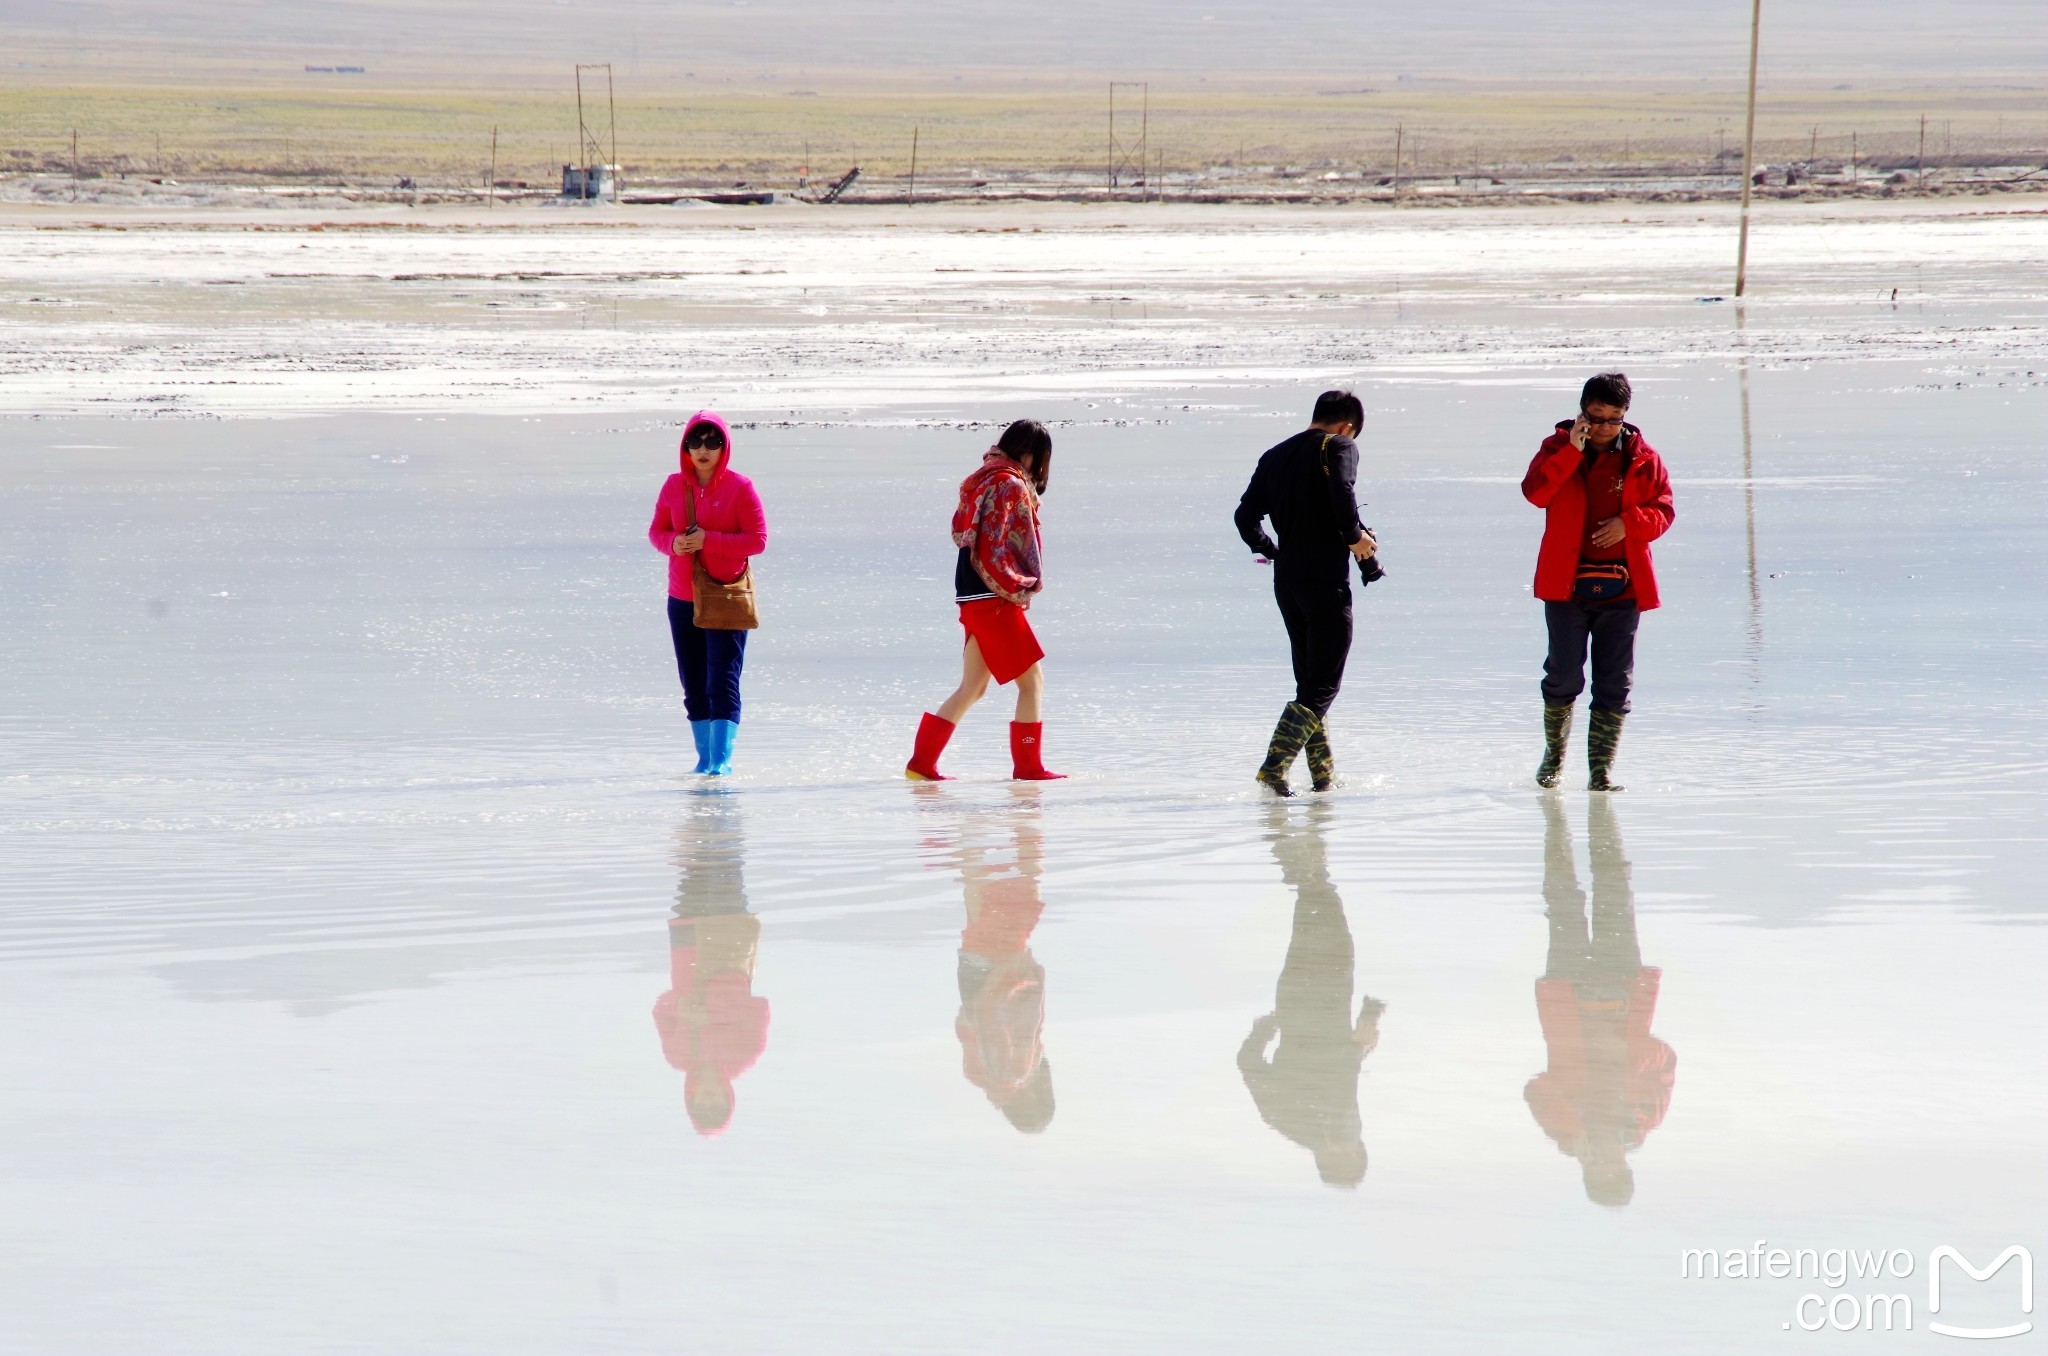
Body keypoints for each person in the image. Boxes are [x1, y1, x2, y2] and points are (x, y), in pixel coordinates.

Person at [1520, 372, 1674, 792]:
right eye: (1596, 416)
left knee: (1614, 681)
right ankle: (1553, 758)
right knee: (1563, 675)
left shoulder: (1645, 457)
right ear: (1581, 413)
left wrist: (1630, 523)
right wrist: (1571, 452)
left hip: (1623, 588)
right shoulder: (1555, 448)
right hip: (1565, 586)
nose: (1604, 427)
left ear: (1625, 415)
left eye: (1613, 418)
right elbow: (1535, 494)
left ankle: (1600, 773)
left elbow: (1663, 511)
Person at [1523, 796, 1674, 1206]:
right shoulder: (1645, 1118)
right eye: (1613, 1168)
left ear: (1587, 1169)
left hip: (1566, 993)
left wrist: (1577, 1130)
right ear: (1626, 1166)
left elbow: (1535, 1089)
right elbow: (1667, 1060)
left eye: (1598, 1169)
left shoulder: (1564, 1132)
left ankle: (1556, 828)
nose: (1605, 1160)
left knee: (1562, 902)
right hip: (1624, 989)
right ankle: (1602, 819)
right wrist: (1629, 1053)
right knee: (1615, 897)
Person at [1233, 390, 1380, 796]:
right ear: (1347, 426)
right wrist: (1356, 538)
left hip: (1288, 580)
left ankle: (1323, 777)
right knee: (1323, 686)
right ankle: (1274, 768)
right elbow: (1342, 495)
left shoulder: (1275, 454)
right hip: (1324, 579)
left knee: (1309, 684)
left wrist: (1272, 549)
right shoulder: (1341, 445)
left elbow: (1244, 517)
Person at [904, 420, 1065, 783]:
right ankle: (1028, 767)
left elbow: (964, 533)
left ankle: (921, 765)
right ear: (1031, 453)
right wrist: (1017, 584)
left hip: (970, 593)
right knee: (1032, 682)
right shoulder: (1008, 483)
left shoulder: (980, 478)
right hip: (993, 594)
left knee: (973, 686)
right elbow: (1000, 545)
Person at [1238, 803, 1385, 1188]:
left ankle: (1288, 829)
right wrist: (1274, 1021)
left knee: (1320, 899)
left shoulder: (1312, 1124)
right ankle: (1296, 830)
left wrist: (1273, 1023)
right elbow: (1249, 1060)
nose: (1346, 1147)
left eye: (1344, 1156)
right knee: (1316, 901)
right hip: (1305, 998)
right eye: (1352, 1152)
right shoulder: (1288, 1121)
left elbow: (1337, 1068)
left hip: (1322, 996)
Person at [648, 411, 767, 776]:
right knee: (693, 683)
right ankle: (704, 760)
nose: (703, 449)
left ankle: (722, 761)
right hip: (682, 597)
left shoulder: (740, 487)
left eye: (712, 442)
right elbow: (656, 533)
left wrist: (708, 541)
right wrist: (675, 543)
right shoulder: (673, 486)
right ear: (685, 447)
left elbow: (757, 541)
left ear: (724, 447)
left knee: (722, 680)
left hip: (725, 597)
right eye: (695, 442)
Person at [652, 804, 770, 1137]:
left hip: (686, 949)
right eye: (714, 1098)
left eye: (701, 1099)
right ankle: (725, 810)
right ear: (726, 1096)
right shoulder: (746, 1056)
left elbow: (660, 1008)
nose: (707, 1092)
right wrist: (710, 1012)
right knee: (727, 871)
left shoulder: (677, 1056)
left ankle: (699, 810)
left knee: (692, 872)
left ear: (690, 1097)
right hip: (728, 951)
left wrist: (679, 1007)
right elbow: (761, 1007)